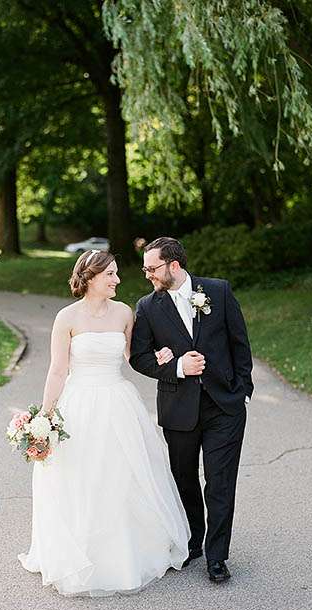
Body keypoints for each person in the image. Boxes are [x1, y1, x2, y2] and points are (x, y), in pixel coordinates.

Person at [18, 249, 190, 596]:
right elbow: (57, 370)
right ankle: (83, 551)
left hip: (118, 402)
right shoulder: (66, 318)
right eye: (110, 274)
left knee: (122, 474)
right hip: (78, 403)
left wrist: (158, 358)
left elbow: (131, 356)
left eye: (116, 273)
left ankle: (127, 550)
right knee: (82, 476)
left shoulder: (125, 313)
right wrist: (44, 418)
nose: (117, 280)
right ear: (90, 278)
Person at [129, 237, 253, 583]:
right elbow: (139, 358)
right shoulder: (147, 307)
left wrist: (243, 391)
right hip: (178, 409)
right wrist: (178, 367)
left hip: (224, 406)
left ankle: (217, 556)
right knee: (184, 478)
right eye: (144, 269)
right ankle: (193, 539)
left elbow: (240, 343)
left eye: (151, 268)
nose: (147, 275)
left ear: (174, 266)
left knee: (220, 482)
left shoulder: (219, 291)